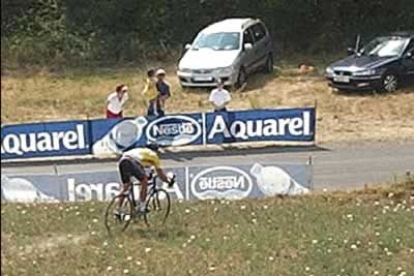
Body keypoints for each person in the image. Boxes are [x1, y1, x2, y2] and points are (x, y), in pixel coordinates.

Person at [117, 144, 175, 214]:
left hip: (122, 160)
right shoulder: (153, 155)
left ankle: (118, 209)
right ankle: (142, 207)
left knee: (126, 186)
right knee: (144, 181)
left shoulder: (142, 152)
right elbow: (160, 174)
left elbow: (142, 168)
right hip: (131, 161)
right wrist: (168, 181)